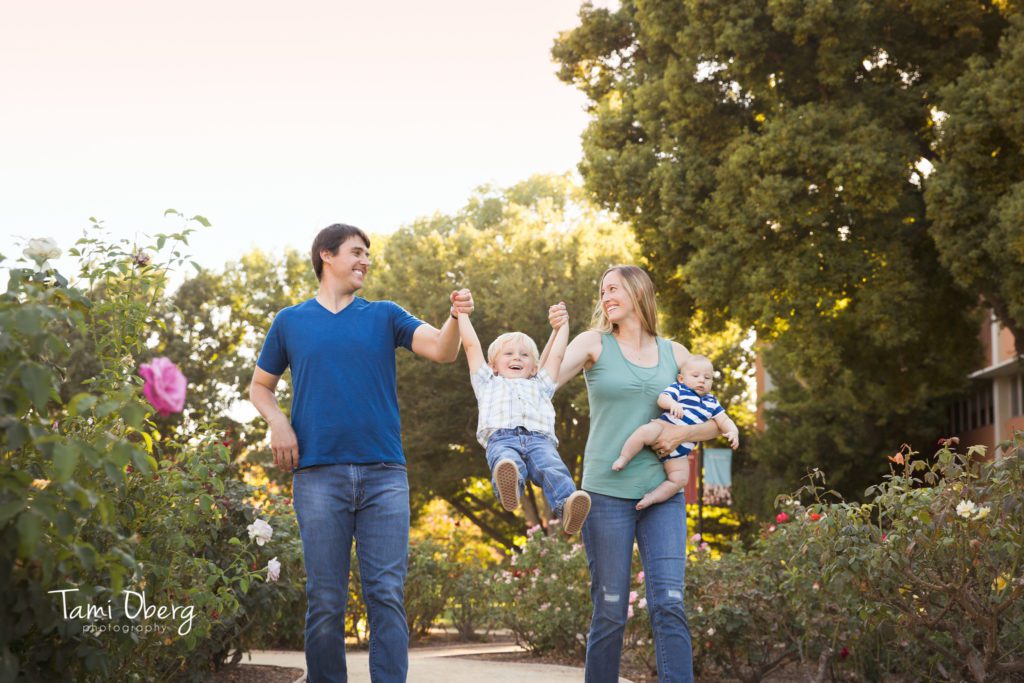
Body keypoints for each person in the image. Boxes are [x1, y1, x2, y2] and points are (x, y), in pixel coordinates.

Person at [248, 223, 473, 683]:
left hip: (384, 475)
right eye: (356, 252)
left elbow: (441, 350)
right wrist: (279, 424)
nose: (365, 261)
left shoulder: (384, 315)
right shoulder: (291, 321)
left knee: (386, 594)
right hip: (317, 477)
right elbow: (260, 387)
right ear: (326, 256)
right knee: (326, 599)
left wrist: (454, 318)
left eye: (368, 254)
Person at [548, 265, 720, 683]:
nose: (606, 296)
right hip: (605, 494)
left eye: (614, 288)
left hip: (663, 495)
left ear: (639, 291)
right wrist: (560, 332)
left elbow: (717, 421)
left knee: (670, 602)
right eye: (602, 290)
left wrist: (683, 431)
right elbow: (543, 381)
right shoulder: (594, 343)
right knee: (609, 607)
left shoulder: (676, 353)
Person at [456, 303, 591, 533]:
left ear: (533, 367)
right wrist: (462, 314)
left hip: (540, 442)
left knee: (554, 469)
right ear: (493, 365)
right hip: (501, 439)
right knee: (507, 462)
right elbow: (470, 346)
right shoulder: (487, 382)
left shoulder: (541, 385)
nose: (517, 357)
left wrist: (563, 326)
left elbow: (557, 356)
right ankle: (510, 488)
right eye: (508, 354)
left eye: (524, 355)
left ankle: (567, 507)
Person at [613, 354, 740, 510]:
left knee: (680, 480)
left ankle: (652, 498)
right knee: (643, 432)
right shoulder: (679, 389)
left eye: (707, 378)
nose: (702, 380)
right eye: (696, 376)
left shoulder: (712, 402)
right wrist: (672, 404)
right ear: (681, 378)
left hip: (680, 452)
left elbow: (724, 421)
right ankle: (624, 458)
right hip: (662, 428)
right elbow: (662, 398)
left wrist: (733, 431)